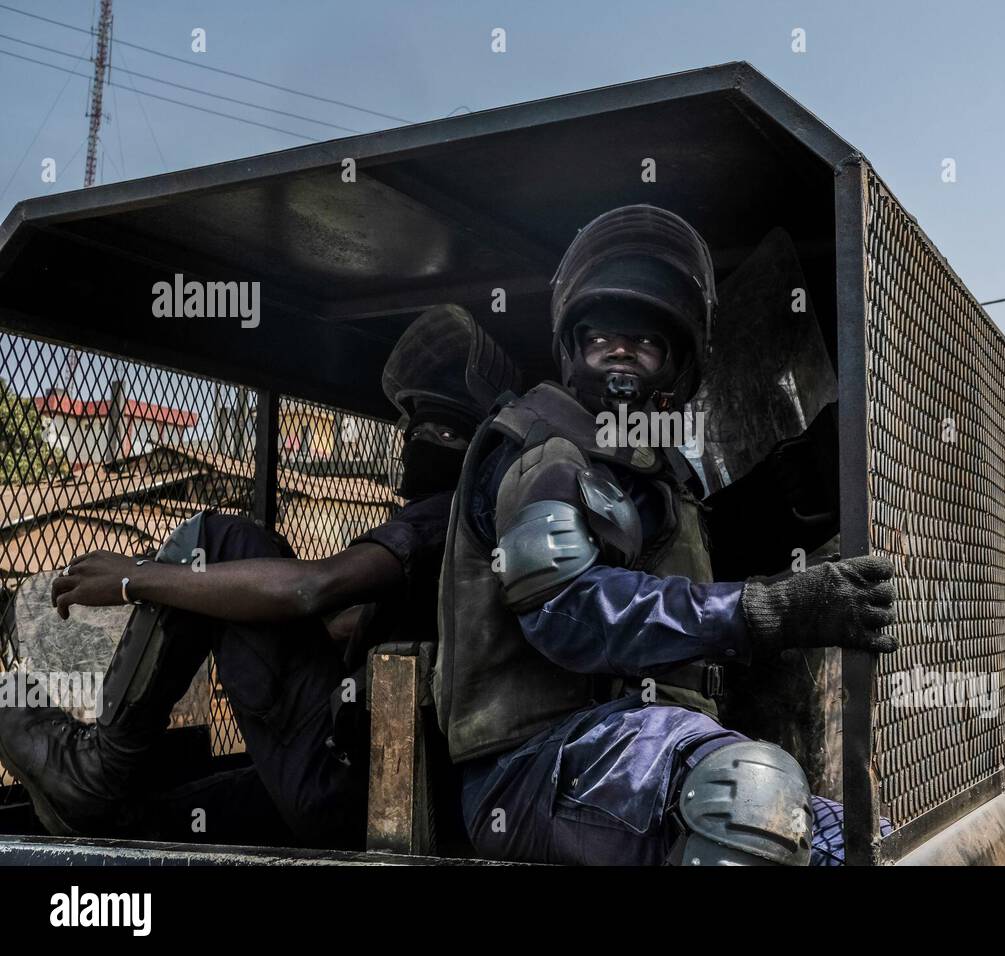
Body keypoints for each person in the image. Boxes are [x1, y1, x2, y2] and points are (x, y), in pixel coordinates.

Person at [437, 204, 898, 866]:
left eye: (646, 343)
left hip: (642, 752)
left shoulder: (657, 477)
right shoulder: (544, 449)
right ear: (572, 350)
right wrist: (767, 610)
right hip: (533, 768)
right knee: (747, 802)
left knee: (851, 840)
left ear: (677, 367)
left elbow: (713, 555)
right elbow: (567, 610)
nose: (622, 356)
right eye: (604, 340)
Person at [0, 305, 518, 849]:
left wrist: (136, 578)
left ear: (450, 437)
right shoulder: (480, 527)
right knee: (171, 817)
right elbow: (343, 622)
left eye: (418, 425)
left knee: (225, 542)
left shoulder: (443, 517)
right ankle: (101, 801)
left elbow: (311, 587)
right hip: (371, 779)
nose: (407, 438)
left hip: (352, 781)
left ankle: (96, 769)